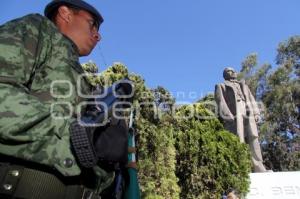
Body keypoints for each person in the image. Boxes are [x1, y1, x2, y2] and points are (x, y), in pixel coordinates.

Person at [0, 0, 128, 198]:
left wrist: (109, 168)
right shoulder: (36, 29)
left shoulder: (81, 80)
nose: (98, 35)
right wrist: (81, 136)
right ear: (65, 13)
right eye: (92, 23)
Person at [215, 67, 266, 172]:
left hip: (247, 111)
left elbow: (251, 99)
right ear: (225, 74)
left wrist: (256, 113)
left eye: (234, 70)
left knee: (253, 138)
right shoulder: (221, 86)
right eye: (229, 71)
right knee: (238, 139)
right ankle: (241, 168)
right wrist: (228, 116)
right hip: (235, 114)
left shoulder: (243, 85)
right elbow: (220, 102)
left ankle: (259, 167)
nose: (233, 72)